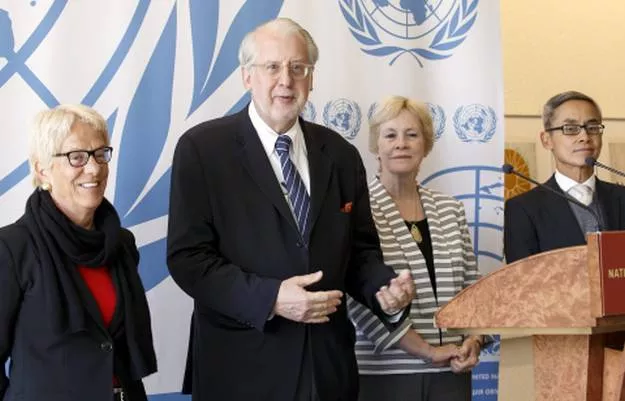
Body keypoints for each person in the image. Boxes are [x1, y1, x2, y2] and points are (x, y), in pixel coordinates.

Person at [167, 18, 415, 401]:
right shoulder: (202, 150)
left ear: (311, 78)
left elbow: (360, 253)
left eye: (298, 68)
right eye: (272, 67)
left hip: (327, 371)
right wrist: (270, 298)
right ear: (247, 76)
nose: (286, 80)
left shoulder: (341, 155)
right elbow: (188, 259)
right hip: (240, 372)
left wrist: (384, 288)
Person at [0, 105, 157, 401]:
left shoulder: (121, 243)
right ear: (42, 169)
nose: (94, 168)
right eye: (77, 157)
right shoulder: (12, 248)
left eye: (100, 154)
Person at [347, 96, 484, 401]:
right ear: (376, 145)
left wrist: (474, 340)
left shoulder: (450, 209)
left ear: (426, 144)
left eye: (412, 134)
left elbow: (472, 289)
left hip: (452, 370)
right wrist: (426, 351)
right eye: (390, 135)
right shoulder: (357, 210)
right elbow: (357, 299)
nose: (401, 144)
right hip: (386, 374)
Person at [504, 91, 625, 263]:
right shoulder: (523, 209)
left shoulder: (621, 197)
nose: (584, 137)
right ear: (546, 140)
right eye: (570, 129)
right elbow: (522, 277)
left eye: (592, 128)